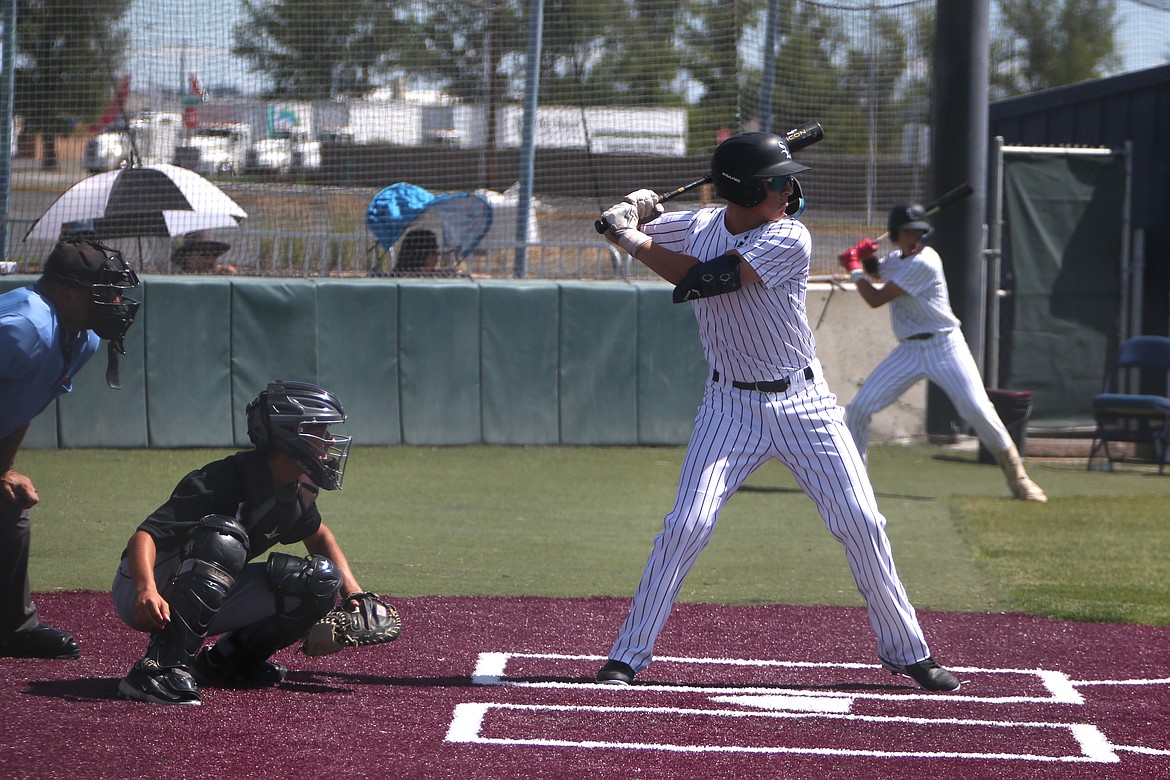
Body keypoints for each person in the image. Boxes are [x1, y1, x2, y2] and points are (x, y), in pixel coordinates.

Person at [594, 132, 960, 692]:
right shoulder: (698, 226)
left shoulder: (790, 236)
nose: (789, 188)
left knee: (862, 523)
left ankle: (907, 650)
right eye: (778, 180)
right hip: (729, 405)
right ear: (744, 188)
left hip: (805, 403)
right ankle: (628, 653)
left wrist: (629, 236)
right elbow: (648, 232)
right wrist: (631, 214)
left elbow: (703, 279)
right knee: (686, 525)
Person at [112, 380, 368, 705]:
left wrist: (356, 596)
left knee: (319, 581)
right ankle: (156, 671)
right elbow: (145, 536)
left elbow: (319, 535)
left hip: (199, 588)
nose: (330, 441)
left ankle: (227, 664)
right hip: (143, 584)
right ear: (291, 435)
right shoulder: (225, 478)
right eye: (320, 430)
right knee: (225, 539)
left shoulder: (295, 490)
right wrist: (145, 591)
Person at [837, 203, 1047, 502]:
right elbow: (879, 273)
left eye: (920, 232)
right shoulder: (897, 258)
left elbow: (875, 297)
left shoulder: (926, 261)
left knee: (977, 408)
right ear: (896, 234)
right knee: (858, 409)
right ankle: (856, 481)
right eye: (909, 232)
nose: (916, 238)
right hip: (909, 349)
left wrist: (854, 269)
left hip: (944, 345)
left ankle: (1018, 477)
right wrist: (867, 258)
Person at [0, 239, 141, 659]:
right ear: (65, 292)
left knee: (9, 509)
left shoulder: (83, 338)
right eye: (105, 293)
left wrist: (4, 467)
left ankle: (13, 630)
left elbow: (25, 401)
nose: (115, 302)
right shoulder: (22, 327)